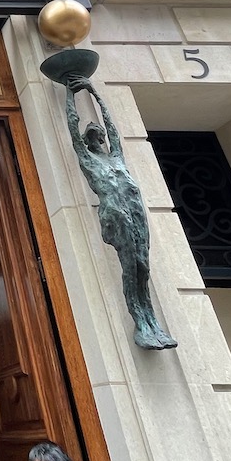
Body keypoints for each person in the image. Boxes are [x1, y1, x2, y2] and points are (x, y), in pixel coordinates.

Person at [63, 74, 177, 350]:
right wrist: (71, 95)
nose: (98, 138)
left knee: (143, 266)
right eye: (92, 136)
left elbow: (113, 127)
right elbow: (72, 125)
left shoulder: (116, 159)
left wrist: (95, 92)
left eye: (98, 135)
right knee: (129, 268)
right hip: (116, 216)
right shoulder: (89, 161)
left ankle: (154, 324)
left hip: (136, 212)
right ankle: (141, 323)